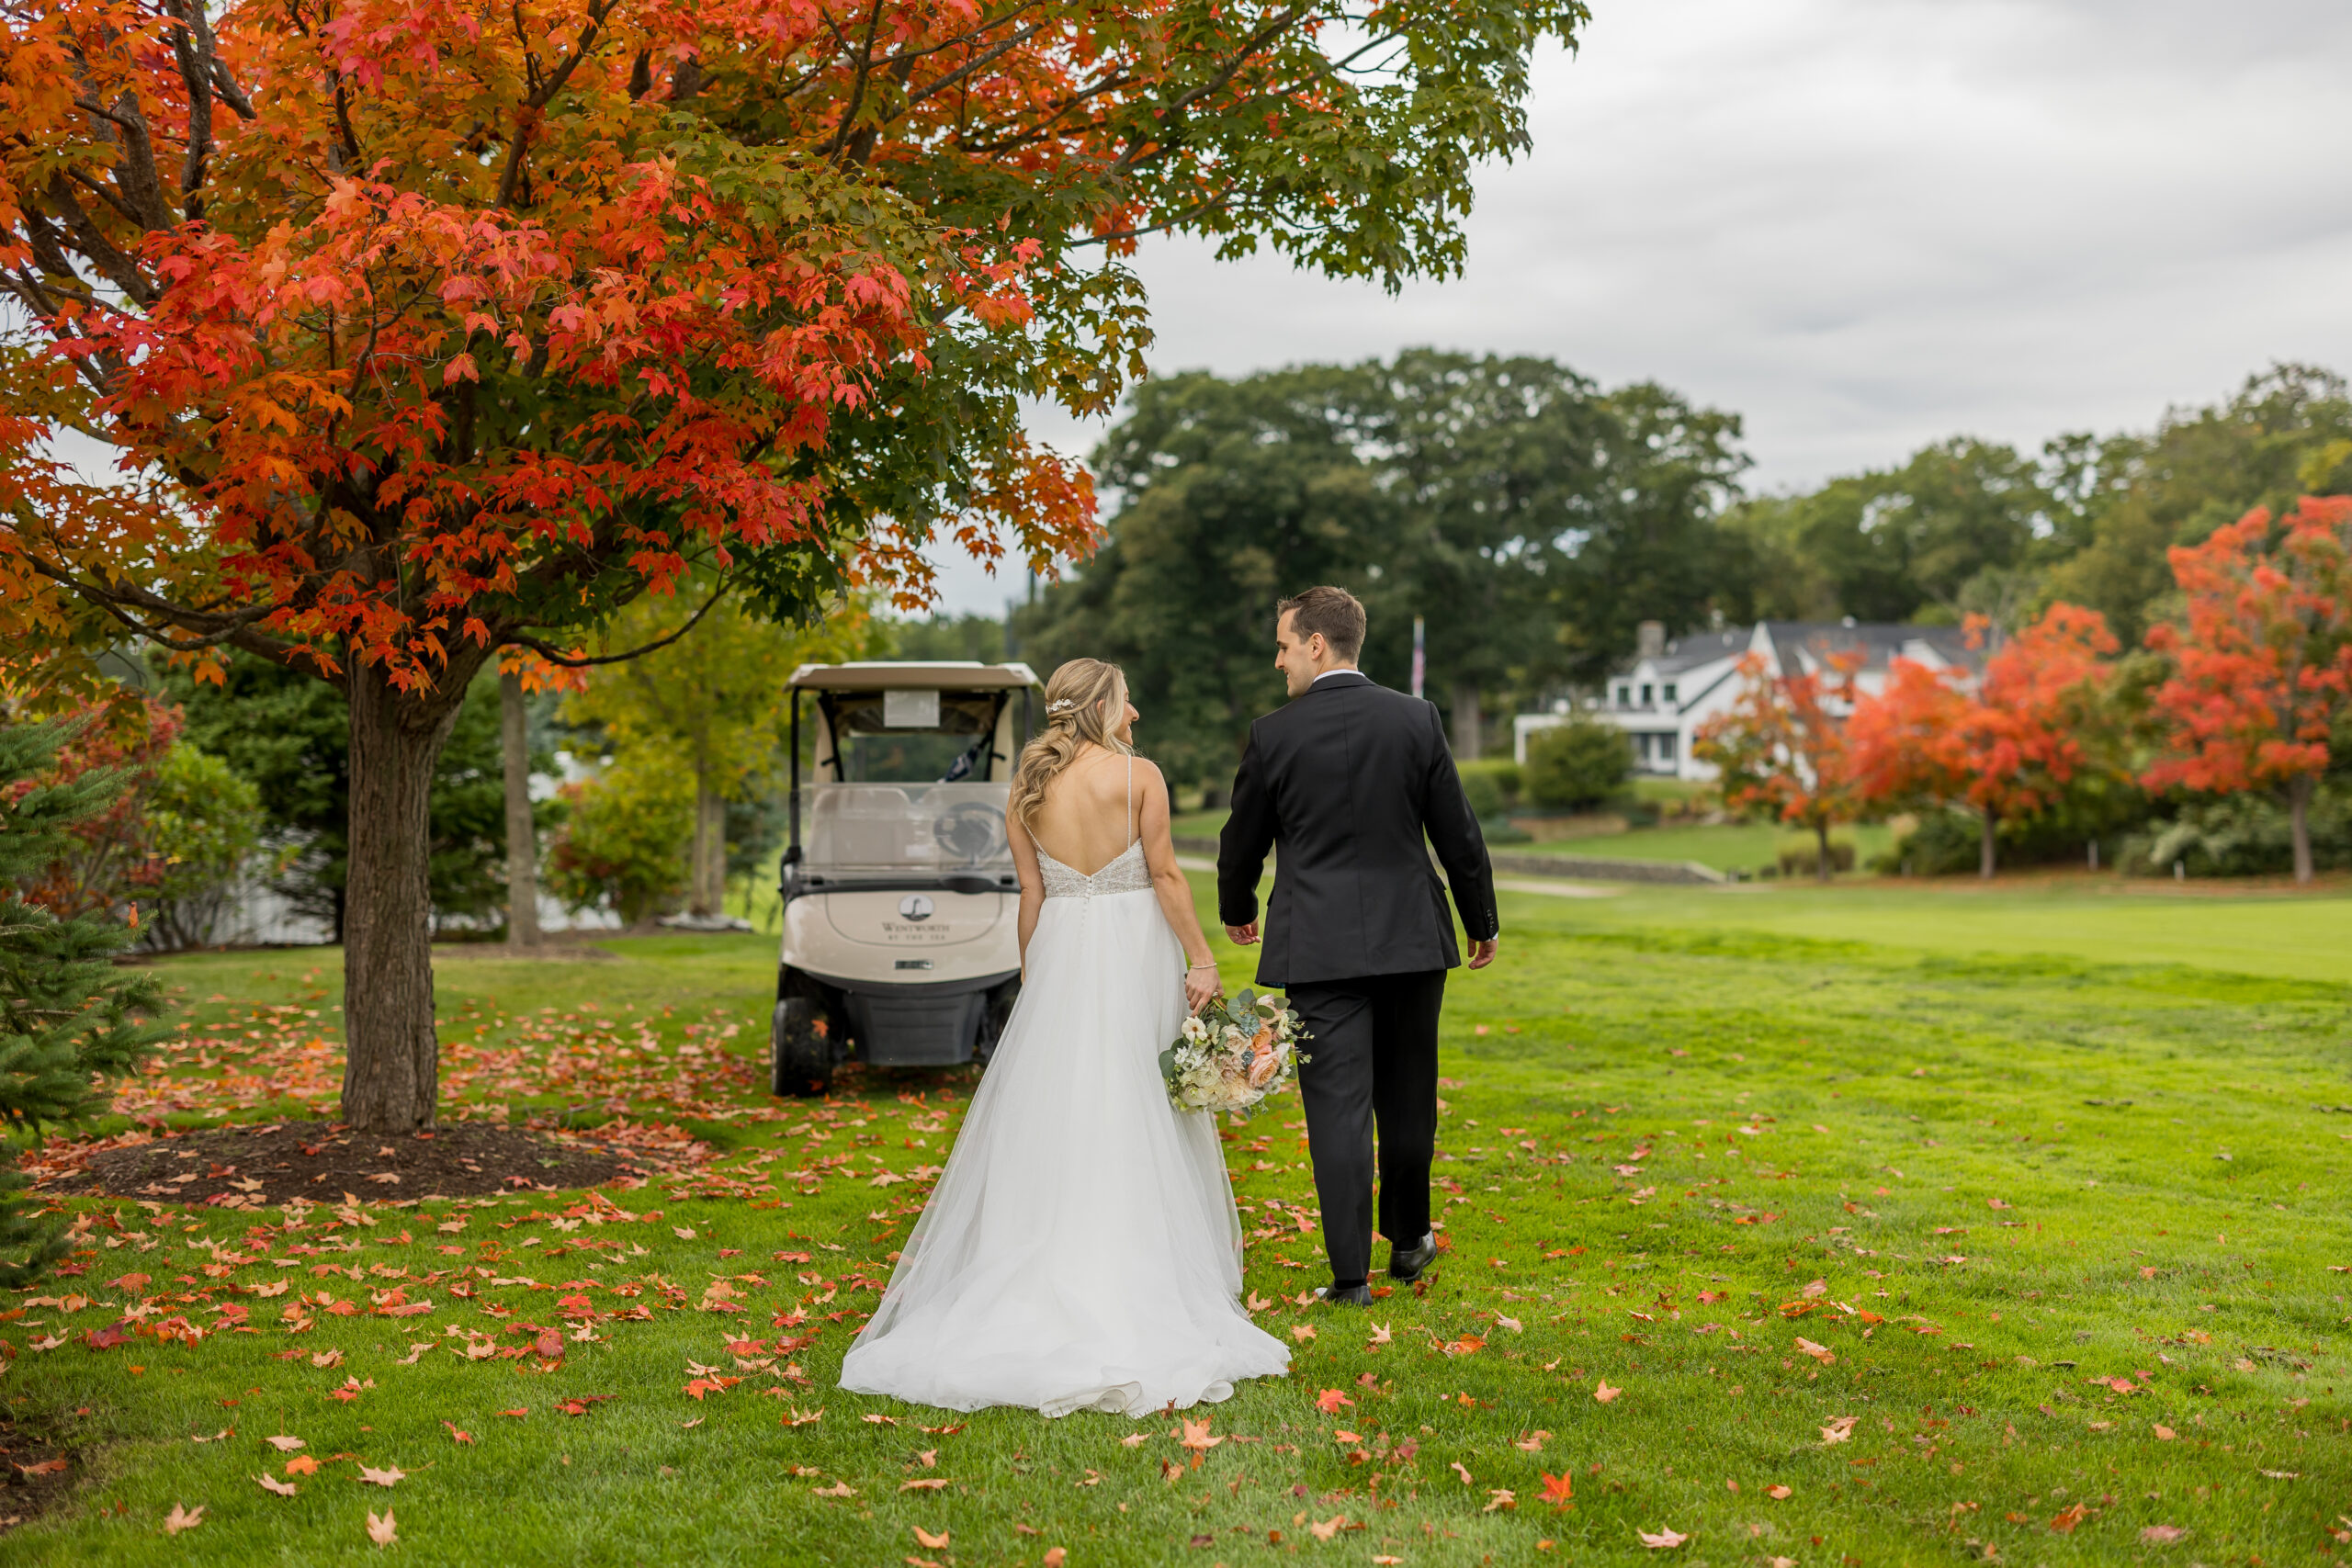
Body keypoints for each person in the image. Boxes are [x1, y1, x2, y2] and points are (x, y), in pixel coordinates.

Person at [839, 658, 1290, 1416]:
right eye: (1126, 699)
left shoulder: (1027, 788)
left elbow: (1032, 895)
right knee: (1137, 1096)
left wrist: (1033, 971)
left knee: (1063, 1105)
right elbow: (1168, 875)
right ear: (1103, 707)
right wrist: (1204, 957)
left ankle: (1044, 1257)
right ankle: (1134, 1271)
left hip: (1061, 947)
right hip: (1133, 947)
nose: (1136, 712)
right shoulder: (1138, 774)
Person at [1217, 586, 1499, 1307]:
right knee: (1408, 1101)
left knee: (1336, 1113)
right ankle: (1408, 1241)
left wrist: (1238, 906)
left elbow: (1239, 840)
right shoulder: (1416, 720)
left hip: (1317, 946)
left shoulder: (1272, 734)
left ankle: (1350, 1278)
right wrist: (1481, 918)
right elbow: (1458, 833)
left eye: (1284, 646)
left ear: (1317, 643)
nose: (1278, 661)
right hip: (1411, 938)